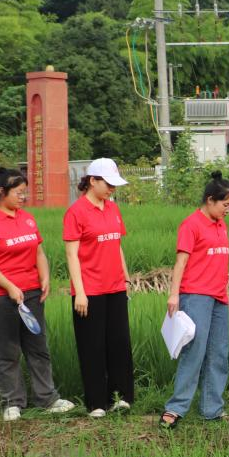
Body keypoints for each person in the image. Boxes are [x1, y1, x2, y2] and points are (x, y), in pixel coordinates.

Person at [0, 167, 75, 422]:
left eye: (24, 192)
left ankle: (47, 398)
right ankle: (12, 402)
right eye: (18, 193)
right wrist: (9, 286)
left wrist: (45, 277)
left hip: (31, 293)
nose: (23, 197)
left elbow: (38, 252)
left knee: (38, 347)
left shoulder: (27, 218)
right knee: (7, 350)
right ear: (1, 192)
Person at [160, 172, 229, 429]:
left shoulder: (221, 224)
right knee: (194, 352)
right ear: (209, 200)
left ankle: (212, 409)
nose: (228, 210)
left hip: (219, 298)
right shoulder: (191, 224)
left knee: (218, 354)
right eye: (225, 205)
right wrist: (174, 294)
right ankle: (176, 407)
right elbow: (180, 261)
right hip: (196, 296)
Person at [64, 158, 134, 418]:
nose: (111, 189)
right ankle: (96, 403)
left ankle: (122, 398)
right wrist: (79, 292)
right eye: (108, 184)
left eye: (115, 185)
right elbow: (72, 255)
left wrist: (125, 278)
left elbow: (117, 246)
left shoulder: (113, 209)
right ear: (92, 181)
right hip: (89, 290)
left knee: (119, 343)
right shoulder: (76, 212)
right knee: (92, 347)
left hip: (115, 287)